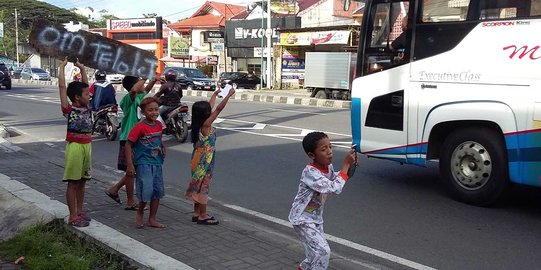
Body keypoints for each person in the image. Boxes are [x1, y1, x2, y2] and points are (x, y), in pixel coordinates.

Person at [288, 132, 357, 270]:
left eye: (330, 147)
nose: (329, 152)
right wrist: (345, 165)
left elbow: (336, 178)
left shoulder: (328, 168)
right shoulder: (310, 173)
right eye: (324, 149)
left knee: (313, 256)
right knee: (323, 251)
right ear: (312, 155)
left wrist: (350, 167)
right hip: (302, 219)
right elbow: (335, 187)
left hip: (315, 218)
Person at [105, 75, 158, 210]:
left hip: (139, 140)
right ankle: (130, 201)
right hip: (129, 140)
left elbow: (146, 89)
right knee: (131, 172)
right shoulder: (128, 99)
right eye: (140, 83)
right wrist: (145, 77)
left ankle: (114, 189)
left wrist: (153, 79)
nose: (143, 86)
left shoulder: (140, 99)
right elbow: (135, 90)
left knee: (133, 171)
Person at [185, 85, 236, 225]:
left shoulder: (199, 123)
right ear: (206, 114)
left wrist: (215, 94)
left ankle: (196, 212)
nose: (211, 110)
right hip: (204, 161)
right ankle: (203, 215)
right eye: (209, 111)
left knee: (198, 185)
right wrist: (228, 95)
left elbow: (212, 106)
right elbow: (218, 109)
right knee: (204, 187)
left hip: (198, 157)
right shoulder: (206, 125)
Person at [58, 57, 92, 227]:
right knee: (73, 182)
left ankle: (79, 211)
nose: (89, 95)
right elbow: (62, 87)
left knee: (83, 181)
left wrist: (82, 68)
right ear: (77, 98)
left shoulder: (87, 107)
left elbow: (85, 85)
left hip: (87, 146)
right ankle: (73, 216)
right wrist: (62, 68)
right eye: (86, 94)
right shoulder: (69, 109)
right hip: (75, 147)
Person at [125, 97, 166, 229]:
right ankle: (140, 212)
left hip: (157, 162)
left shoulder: (159, 125)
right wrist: (130, 164)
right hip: (143, 163)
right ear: (143, 113)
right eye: (150, 110)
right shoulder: (140, 127)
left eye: (156, 109)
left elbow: (159, 139)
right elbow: (128, 144)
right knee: (145, 191)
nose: (154, 112)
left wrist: (162, 146)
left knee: (157, 191)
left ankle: (152, 219)